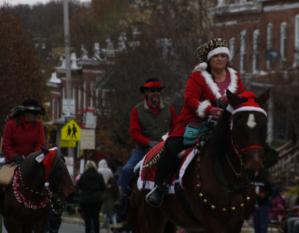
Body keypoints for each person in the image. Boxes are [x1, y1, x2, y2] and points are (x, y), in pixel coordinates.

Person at [146, 38, 245, 207]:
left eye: (223, 55)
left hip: (226, 123)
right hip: (195, 122)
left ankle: (249, 184)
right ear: (209, 59)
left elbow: (241, 97)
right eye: (216, 56)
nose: (220, 59)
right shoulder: (198, 77)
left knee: (248, 144)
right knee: (171, 147)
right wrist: (209, 110)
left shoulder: (235, 77)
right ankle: (159, 187)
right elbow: (190, 99)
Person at [117, 78, 177, 220]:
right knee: (127, 170)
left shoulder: (170, 109)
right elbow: (134, 132)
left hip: (166, 148)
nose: (155, 93)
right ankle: (122, 201)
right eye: (151, 91)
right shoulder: (137, 110)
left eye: (157, 90)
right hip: (144, 149)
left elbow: (176, 127)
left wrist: (169, 139)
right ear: (145, 93)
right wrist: (148, 142)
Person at [2, 98, 45, 163]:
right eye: (34, 113)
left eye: (37, 114)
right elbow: (6, 144)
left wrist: (32, 157)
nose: (37, 116)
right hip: (13, 162)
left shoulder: (39, 125)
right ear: (26, 113)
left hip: (32, 161)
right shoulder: (11, 124)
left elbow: (40, 144)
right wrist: (14, 156)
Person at [77, 160, 106, 233]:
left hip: (86, 199)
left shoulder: (83, 175)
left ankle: (88, 231)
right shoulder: (99, 175)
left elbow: (79, 186)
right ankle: (96, 231)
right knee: (96, 217)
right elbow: (103, 187)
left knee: (87, 218)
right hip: (97, 199)